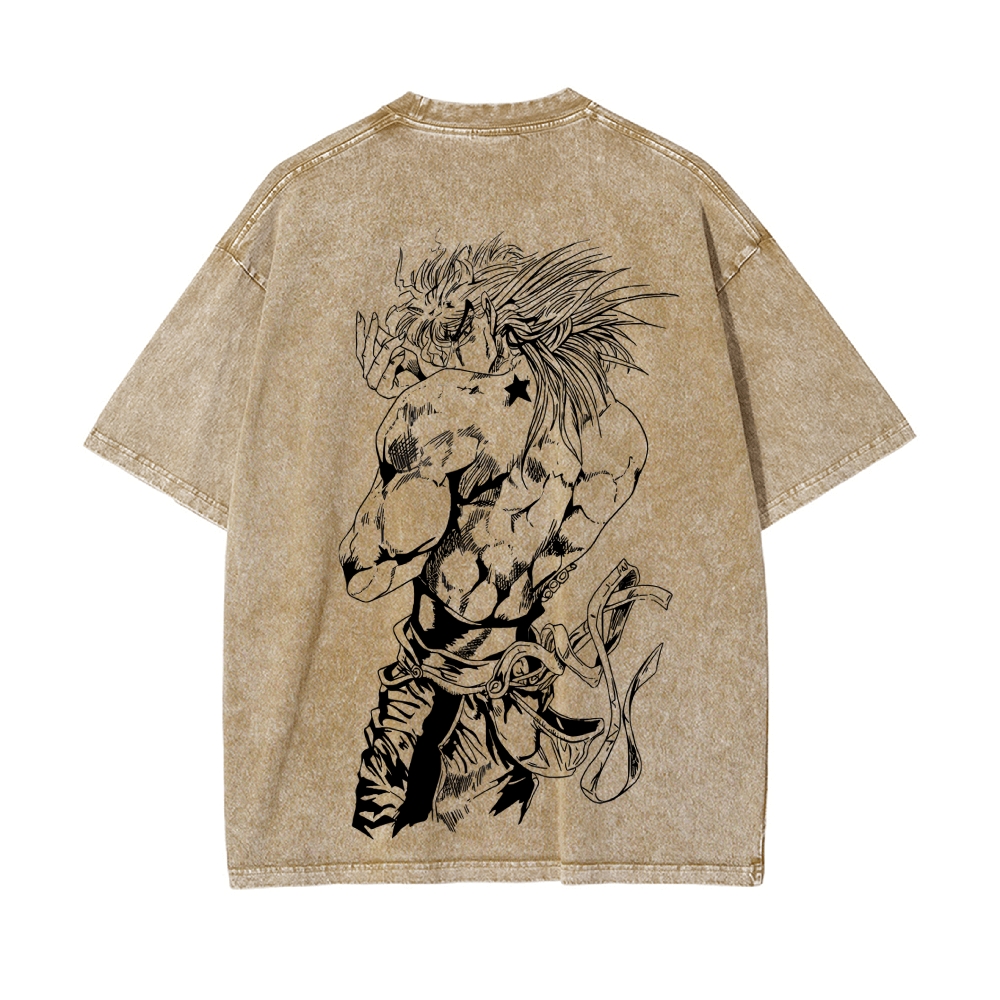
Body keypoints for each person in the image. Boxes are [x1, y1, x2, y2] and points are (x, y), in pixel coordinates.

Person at [340, 236, 672, 837]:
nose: (429, 344)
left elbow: (366, 575)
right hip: (521, 711)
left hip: (419, 709)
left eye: (445, 328)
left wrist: (406, 409)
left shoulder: (436, 412)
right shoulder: (620, 437)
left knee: (379, 842)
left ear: (487, 322)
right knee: (496, 832)